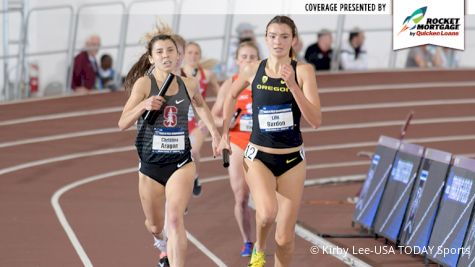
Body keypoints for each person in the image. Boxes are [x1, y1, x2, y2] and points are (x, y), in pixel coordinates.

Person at [218, 16, 322, 267]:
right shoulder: (252, 68)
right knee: (266, 213)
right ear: (266, 39)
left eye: (284, 36)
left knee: (285, 240)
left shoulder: (303, 71)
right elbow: (230, 96)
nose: (278, 41)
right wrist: (223, 133)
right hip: (258, 156)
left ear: (293, 40)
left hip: (292, 160)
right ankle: (259, 250)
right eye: (273, 36)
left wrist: (293, 86)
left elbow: (315, 120)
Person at [118, 34, 221, 267]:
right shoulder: (144, 84)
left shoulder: (189, 83)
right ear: (151, 58)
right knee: (155, 225)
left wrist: (215, 134)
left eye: (170, 51)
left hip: (180, 163)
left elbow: (201, 105)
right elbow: (122, 122)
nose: (166, 56)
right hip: (151, 166)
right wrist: (144, 105)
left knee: (174, 219)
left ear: (178, 55)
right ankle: (161, 244)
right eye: (160, 52)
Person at [211, 41, 260, 257]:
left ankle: (261, 242)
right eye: (245, 57)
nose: (248, 61)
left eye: (252, 57)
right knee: (241, 196)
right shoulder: (229, 84)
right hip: (239, 141)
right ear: (238, 60)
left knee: (261, 199)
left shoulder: (265, 82)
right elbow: (214, 114)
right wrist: (225, 123)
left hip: (261, 141)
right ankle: (247, 241)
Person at [181, 41, 220, 197]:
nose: (193, 56)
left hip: (198, 120)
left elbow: (221, 95)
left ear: (200, 55)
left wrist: (214, 112)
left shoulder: (208, 74)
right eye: (189, 53)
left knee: (194, 152)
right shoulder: (178, 73)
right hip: (182, 120)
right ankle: (188, 180)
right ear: (184, 55)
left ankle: (195, 176)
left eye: (196, 53)